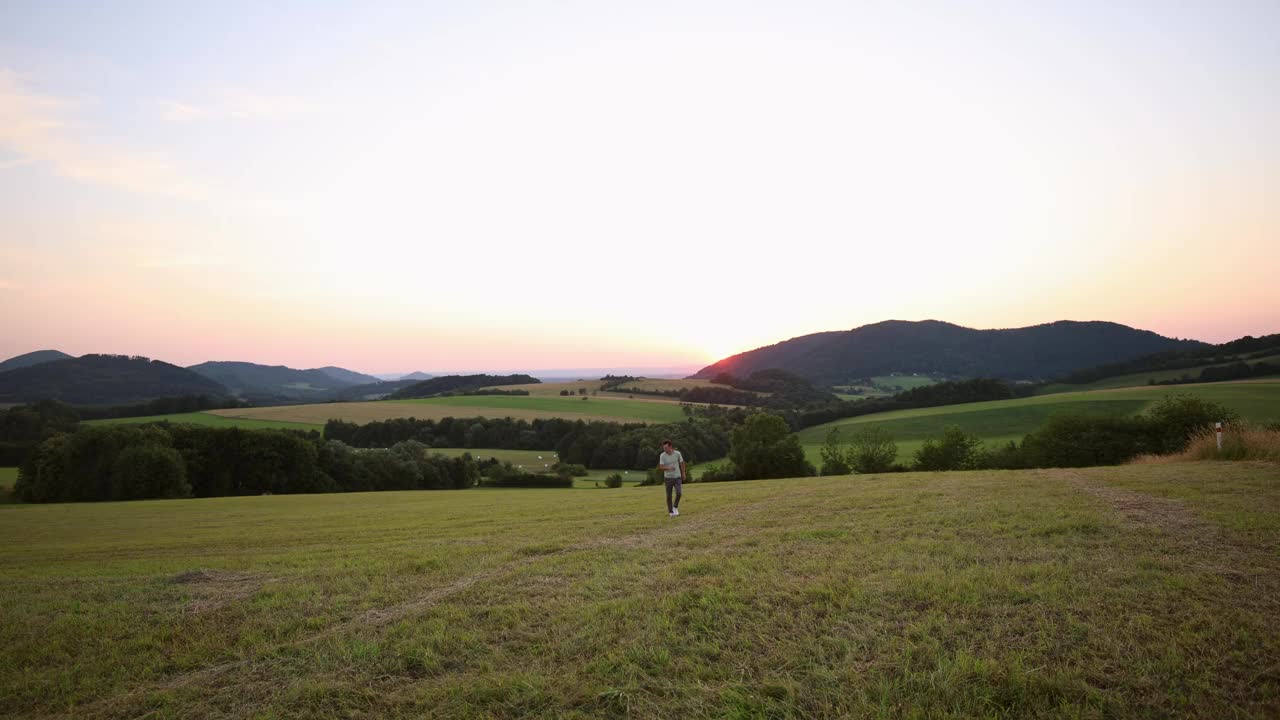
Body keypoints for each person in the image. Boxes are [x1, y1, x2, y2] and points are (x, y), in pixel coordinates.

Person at [657, 439, 686, 516]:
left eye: (666, 447)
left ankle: (675, 507)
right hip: (668, 478)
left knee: (679, 493)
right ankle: (671, 512)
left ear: (670, 447)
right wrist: (669, 468)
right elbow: (661, 467)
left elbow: (682, 463)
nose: (664, 449)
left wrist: (683, 473)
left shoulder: (677, 453)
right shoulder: (662, 455)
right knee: (669, 495)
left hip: (677, 477)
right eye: (664, 448)